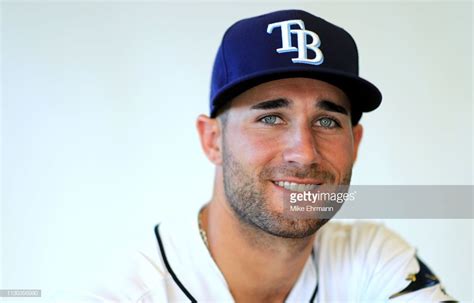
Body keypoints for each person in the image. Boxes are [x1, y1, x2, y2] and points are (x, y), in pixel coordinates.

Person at [78, 9, 455, 302]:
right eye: (271, 117)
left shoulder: (369, 256)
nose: (304, 152)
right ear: (213, 140)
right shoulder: (126, 294)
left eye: (327, 121)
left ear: (355, 142)